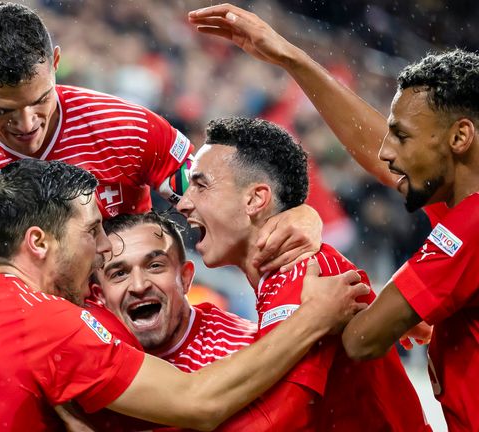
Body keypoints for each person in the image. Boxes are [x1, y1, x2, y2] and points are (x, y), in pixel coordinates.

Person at [0, 158, 369, 431]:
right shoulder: (47, 322)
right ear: (39, 242)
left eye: (155, 265)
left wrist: (298, 214)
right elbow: (199, 402)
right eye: (91, 232)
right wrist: (314, 318)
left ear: (185, 273)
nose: (100, 248)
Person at [187, 5, 479, 429]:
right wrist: (292, 59)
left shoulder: (470, 223)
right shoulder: (459, 196)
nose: (387, 151)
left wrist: (339, 307)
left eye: (402, 136)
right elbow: (377, 152)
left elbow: (362, 340)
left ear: (459, 137)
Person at [0, 1, 324, 275]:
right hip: (29, 349)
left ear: (56, 63)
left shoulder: (124, 127)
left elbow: (213, 194)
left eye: (40, 100)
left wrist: (298, 215)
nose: (26, 124)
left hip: (137, 318)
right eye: (3, 110)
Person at [177, 117, 429, 431]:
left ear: (255, 199)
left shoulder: (302, 276)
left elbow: (276, 421)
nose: (183, 203)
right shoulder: (296, 270)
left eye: (200, 185)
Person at [94, 212, 256, 373]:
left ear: (185, 278)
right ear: (100, 297)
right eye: (119, 274)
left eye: (155, 266)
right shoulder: (93, 367)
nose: (139, 286)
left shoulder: (246, 352)